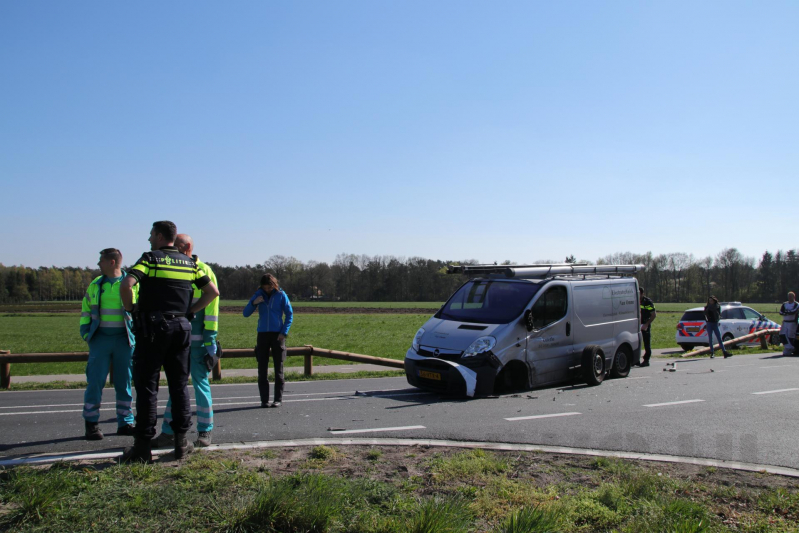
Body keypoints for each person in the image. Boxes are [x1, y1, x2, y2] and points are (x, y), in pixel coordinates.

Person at [118, 221, 219, 463]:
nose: (149, 239)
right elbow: (212, 292)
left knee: (147, 387)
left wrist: (131, 308)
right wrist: (189, 311)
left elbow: (127, 283)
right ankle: (181, 444)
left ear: (160, 236)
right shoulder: (190, 264)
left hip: (153, 330)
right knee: (179, 386)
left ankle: (142, 448)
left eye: (151, 234)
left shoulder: (151, 259)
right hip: (181, 329)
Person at [152, 234, 220, 449]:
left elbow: (212, 309)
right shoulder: (177, 268)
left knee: (200, 385)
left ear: (187, 247)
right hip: (179, 337)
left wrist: (210, 340)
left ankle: (205, 430)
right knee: (177, 386)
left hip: (197, 341)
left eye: (177, 246)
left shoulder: (204, 270)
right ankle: (169, 432)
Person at [79, 248, 137, 440]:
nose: (98, 264)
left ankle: (125, 422)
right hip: (100, 339)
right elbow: (86, 309)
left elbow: (138, 310)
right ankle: (91, 424)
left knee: (124, 382)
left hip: (124, 340)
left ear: (112, 262)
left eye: (101, 260)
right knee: (95, 382)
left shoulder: (132, 283)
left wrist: (136, 336)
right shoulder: (96, 284)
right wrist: (86, 333)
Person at [243, 274, 293, 407]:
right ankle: (264, 400)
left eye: (269, 287)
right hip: (262, 334)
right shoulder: (258, 295)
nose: (267, 290)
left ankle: (278, 399)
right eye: (265, 287)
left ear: (274, 285)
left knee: (278, 368)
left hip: (277, 335)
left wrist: (284, 332)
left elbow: (289, 314)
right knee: (262, 368)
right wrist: (254, 303)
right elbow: (245, 313)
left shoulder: (281, 295)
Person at [636, 287, 657, 367]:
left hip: (645, 324)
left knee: (646, 343)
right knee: (636, 343)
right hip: (636, 325)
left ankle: (646, 360)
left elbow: (653, 315)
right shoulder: (634, 301)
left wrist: (647, 324)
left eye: (639, 294)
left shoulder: (647, 302)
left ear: (642, 294)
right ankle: (636, 360)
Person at [779, 292, 799, 356]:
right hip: (785, 322)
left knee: (791, 336)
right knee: (782, 334)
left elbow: (793, 311)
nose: (789, 298)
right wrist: (786, 312)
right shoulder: (785, 304)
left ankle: (792, 348)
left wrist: (786, 312)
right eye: (789, 296)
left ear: (794, 297)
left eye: (791, 296)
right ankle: (789, 347)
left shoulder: (796, 304)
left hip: (792, 322)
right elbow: (781, 312)